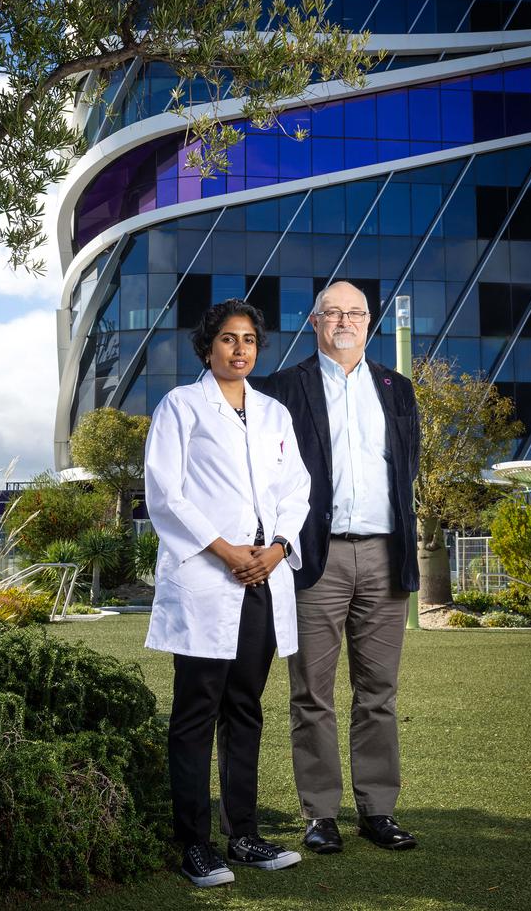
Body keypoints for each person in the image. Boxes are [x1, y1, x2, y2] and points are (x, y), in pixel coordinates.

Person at [144, 298, 311, 888]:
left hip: (265, 578)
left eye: (249, 341)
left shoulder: (273, 414)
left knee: (245, 708)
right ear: (207, 346)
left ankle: (242, 833)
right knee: (196, 711)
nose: (239, 350)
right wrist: (225, 550)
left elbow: (297, 489)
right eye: (228, 339)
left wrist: (279, 547)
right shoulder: (181, 407)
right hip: (209, 578)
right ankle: (193, 843)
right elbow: (166, 492)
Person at [259, 280, 420, 855]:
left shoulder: (397, 389)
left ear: (370, 321)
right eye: (333, 312)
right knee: (312, 694)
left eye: (355, 312)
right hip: (314, 558)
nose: (345, 321)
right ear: (315, 321)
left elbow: (406, 470)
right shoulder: (280, 390)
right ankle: (321, 815)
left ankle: (377, 811)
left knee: (379, 691)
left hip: (384, 553)